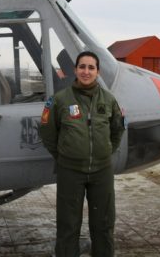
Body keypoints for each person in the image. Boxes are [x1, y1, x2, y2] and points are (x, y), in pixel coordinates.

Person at [39, 51, 125, 257]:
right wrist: (64, 156)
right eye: (82, 67)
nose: (86, 71)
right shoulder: (59, 100)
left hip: (101, 171)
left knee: (104, 224)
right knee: (68, 225)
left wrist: (105, 153)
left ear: (97, 71)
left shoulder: (109, 100)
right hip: (70, 171)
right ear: (75, 70)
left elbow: (117, 129)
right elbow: (48, 132)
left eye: (91, 67)